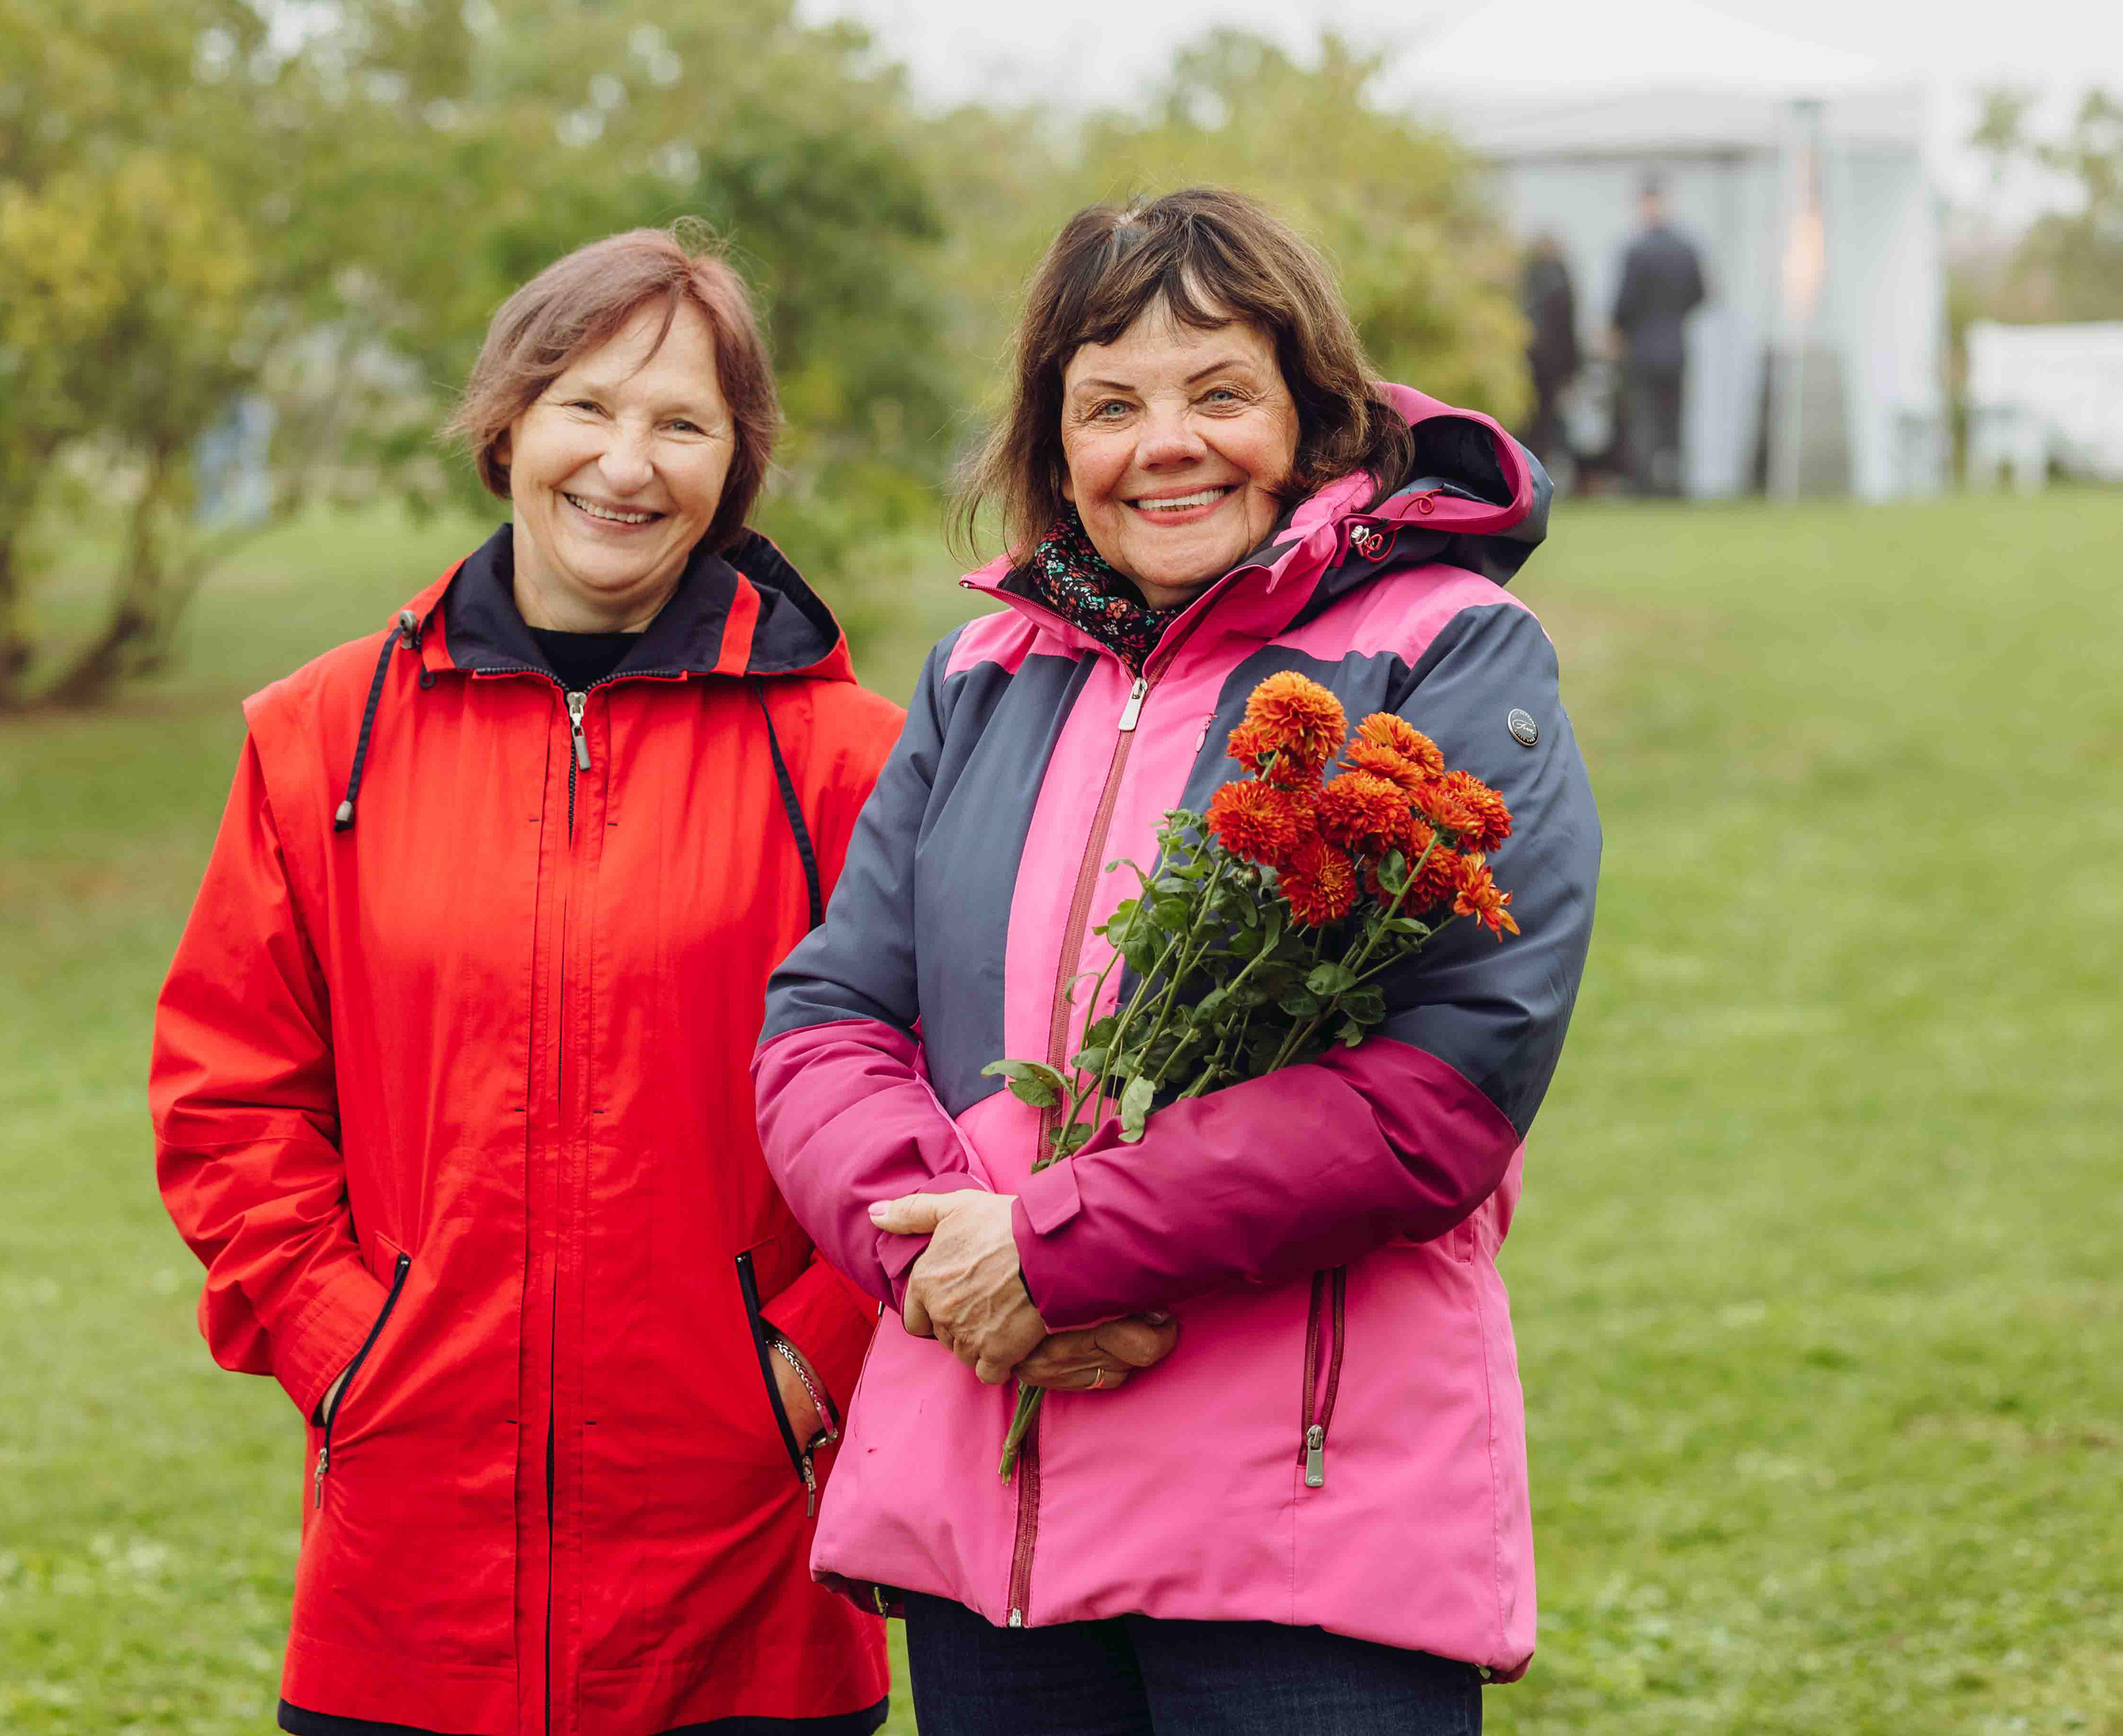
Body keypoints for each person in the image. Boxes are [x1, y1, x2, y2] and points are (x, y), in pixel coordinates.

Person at [754, 186, 1602, 1734]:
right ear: (1051, 440)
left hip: (1299, 1532)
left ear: (1311, 413)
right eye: (1110, 405)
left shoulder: (1444, 648)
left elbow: (1446, 1087)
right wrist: (943, 1265)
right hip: (993, 1530)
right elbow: (826, 1020)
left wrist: (1059, 1249)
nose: (1165, 444)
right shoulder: (981, 673)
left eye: (1219, 393)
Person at [154, 226, 906, 1736]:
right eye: (587, 406)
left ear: (733, 468)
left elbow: (944, 1103)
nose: (626, 463)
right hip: (406, 1573)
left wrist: (815, 1359)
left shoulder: (848, 757)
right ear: (506, 423)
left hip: (746, 1572)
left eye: (682, 423)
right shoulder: (320, 739)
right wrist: (345, 1342)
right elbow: (229, 1094)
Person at [1610, 176, 1707, 496]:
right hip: (1676, 346)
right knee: (1673, 418)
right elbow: (1701, 294)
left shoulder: (1637, 251)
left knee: (1643, 418)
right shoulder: (1686, 249)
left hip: (1641, 347)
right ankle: (1672, 481)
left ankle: (1645, 483)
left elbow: (1624, 303)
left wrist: (1620, 330)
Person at [1517, 233, 1578, 479]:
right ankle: (1547, 470)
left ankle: (1526, 470)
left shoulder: (1528, 277)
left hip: (1530, 360)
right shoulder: (1562, 278)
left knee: (1530, 420)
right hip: (1555, 363)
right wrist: (1573, 367)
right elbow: (1568, 327)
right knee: (1550, 418)